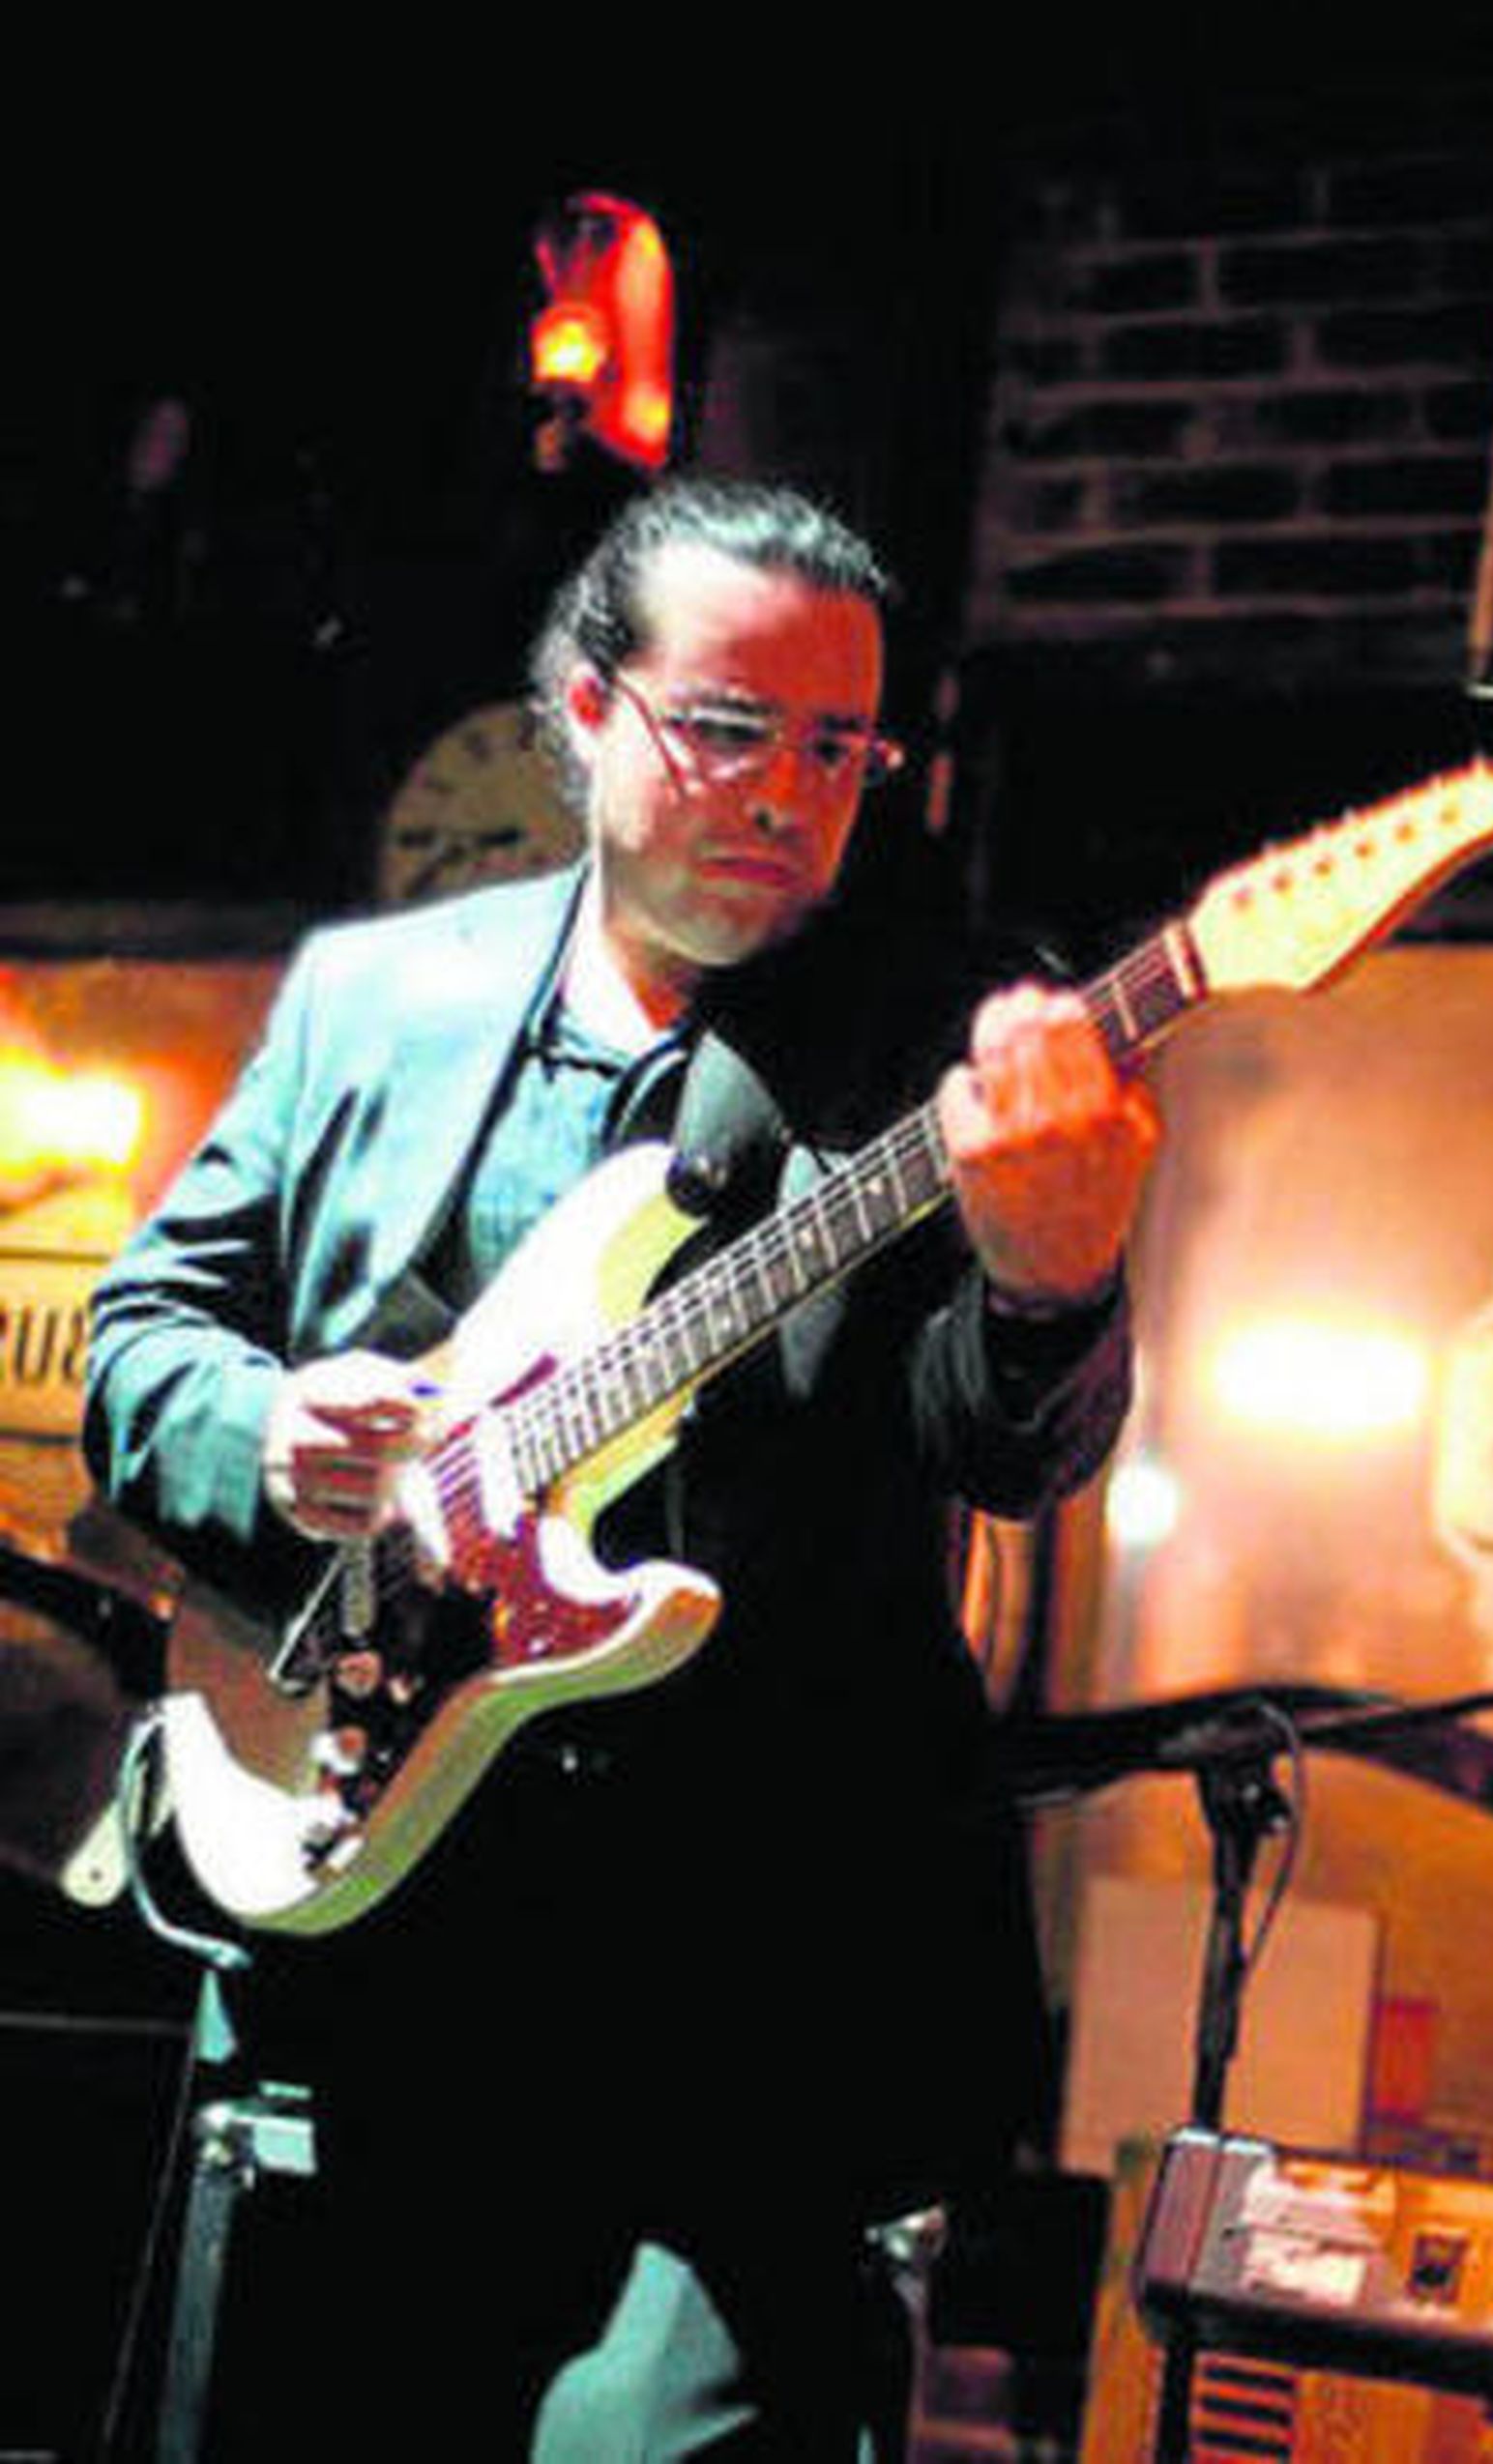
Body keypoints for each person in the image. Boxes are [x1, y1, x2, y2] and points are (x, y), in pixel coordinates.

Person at [83, 477, 1158, 2459]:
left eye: (837, 748)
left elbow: (1005, 1448)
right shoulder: (378, 1005)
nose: (789, 796)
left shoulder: (938, 1038)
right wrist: (269, 1433)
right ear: (584, 710)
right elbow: (142, 1343)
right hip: (371, 1964)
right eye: (732, 730)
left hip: (749, 2017)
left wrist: (1055, 1280)